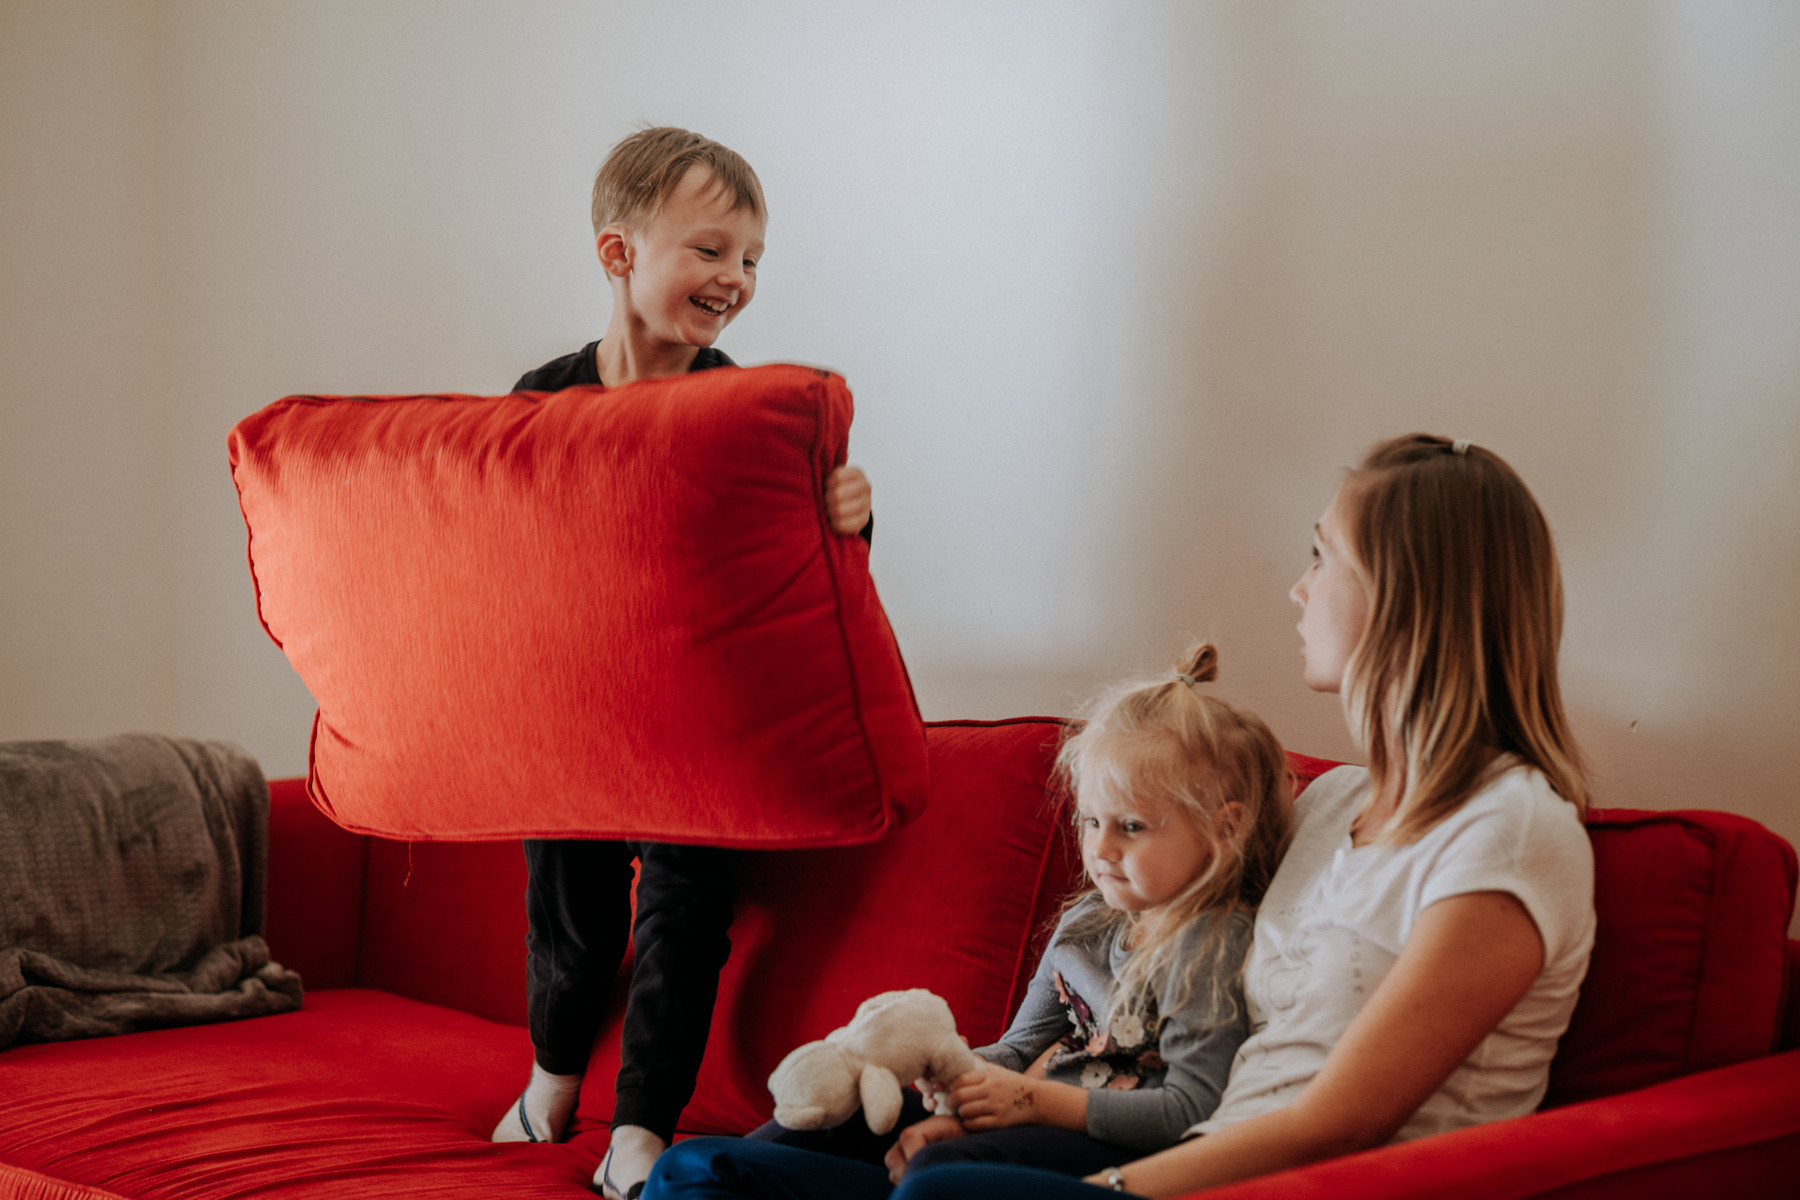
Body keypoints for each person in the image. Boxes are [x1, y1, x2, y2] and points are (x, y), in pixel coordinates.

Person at [648, 433, 1598, 1200]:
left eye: (1323, 557)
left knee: (945, 1188)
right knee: (703, 1166)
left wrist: (1105, 1184)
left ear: (1406, 594)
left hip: (1264, 1180)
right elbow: (1164, 945)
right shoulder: (1335, 803)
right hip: (1191, 1151)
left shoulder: (1509, 832)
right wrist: (1001, 1111)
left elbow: (1334, 1123)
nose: (1299, 587)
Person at [487, 126, 874, 1200]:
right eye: (710, 252)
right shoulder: (543, 398)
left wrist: (848, 520)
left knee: (684, 907)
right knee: (569, 910)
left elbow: (810, 585)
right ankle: (554, 1075)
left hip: (702, 716)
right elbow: (495, 559)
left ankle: (641, 1126)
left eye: (752, 259)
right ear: (619, 255)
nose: (736, 279)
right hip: (574, 710)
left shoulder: (749, 412)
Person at [648, 642, 1295, 1196]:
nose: (1099, 849)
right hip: (1024, 1120)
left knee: (937, 1169)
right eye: (1092, 821)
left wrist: (1028, 1105)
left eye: (1132, 826)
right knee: (783, 1131)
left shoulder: (1211, 942)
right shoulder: (1087, 924)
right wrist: (949, 1085)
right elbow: (1015, 1050)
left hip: (1106, 1154)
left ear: (1224, 829)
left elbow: (1192, 1109)